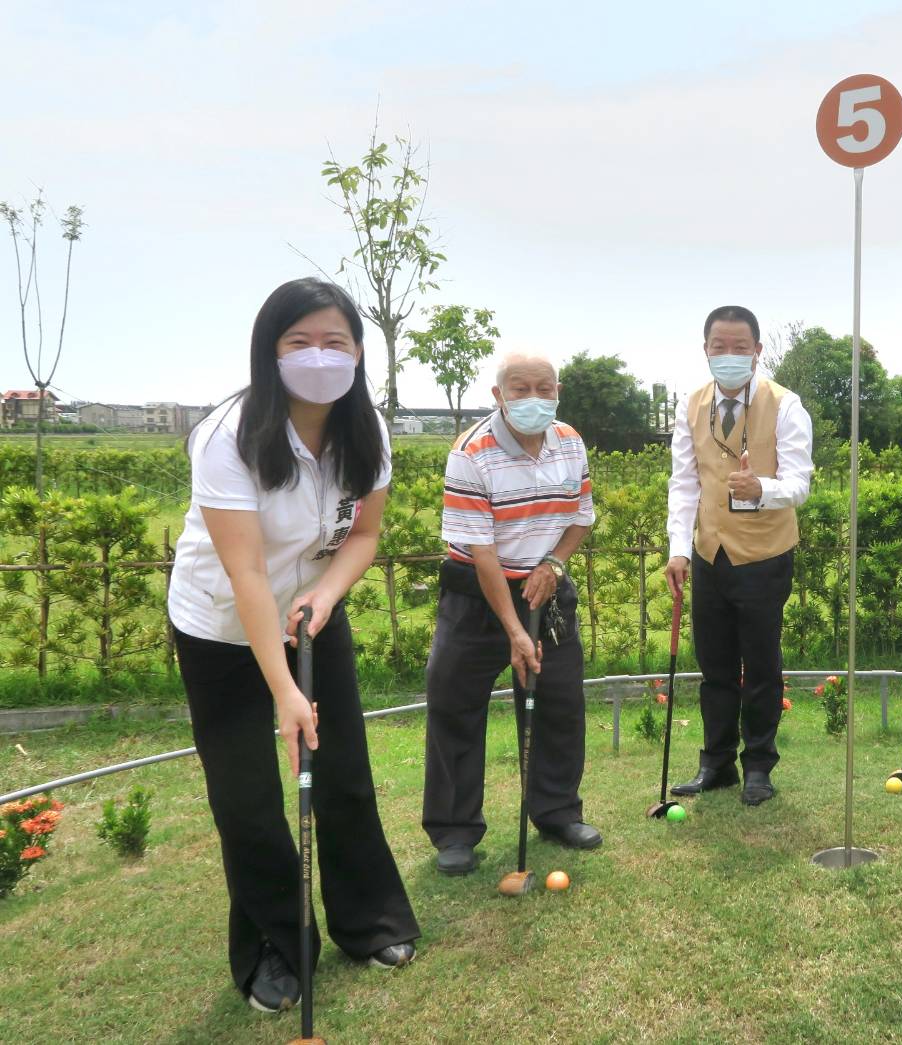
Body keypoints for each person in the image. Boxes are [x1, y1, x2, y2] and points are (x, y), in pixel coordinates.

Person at [169, 277, 419, 1015]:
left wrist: (328, 593)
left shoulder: (365, 430)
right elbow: (245, 572)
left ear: (359, 352)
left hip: (312, 614)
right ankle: (275, 946)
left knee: (341, 772)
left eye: (334, 341)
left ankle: (369, 920)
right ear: (268, 352)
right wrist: (282, 690)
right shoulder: (228, 436)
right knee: (247, 797)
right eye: (298, 342)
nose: (319, 356)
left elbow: (364, 534)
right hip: (221, 629)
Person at [422, 352, 599, 874]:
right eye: (519, 389)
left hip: (545, 587)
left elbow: (581, 519)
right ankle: (455, 833)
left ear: (558, 390)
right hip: (478, 593)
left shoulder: (569, 441)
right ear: (498, 395)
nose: (532, 398)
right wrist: (515, 631)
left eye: (543, 388)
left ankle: (557, 811)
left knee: (560, 702)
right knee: (455, 704)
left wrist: (553, 564)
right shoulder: (470, 452)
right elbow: (480, 552)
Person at [664, 305, 813, 806]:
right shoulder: (691, 406)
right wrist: (678, 549)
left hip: (765, 554)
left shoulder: (786, 405)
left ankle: (759, 766)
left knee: (762, 664)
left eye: (740, 347)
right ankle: (716, 763)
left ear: (757, 351)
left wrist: (761, 488)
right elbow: (684, 482)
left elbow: (799, 484)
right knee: (715, 666)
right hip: (710, 554)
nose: (729, 356)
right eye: (719, 347)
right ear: (705, 350)